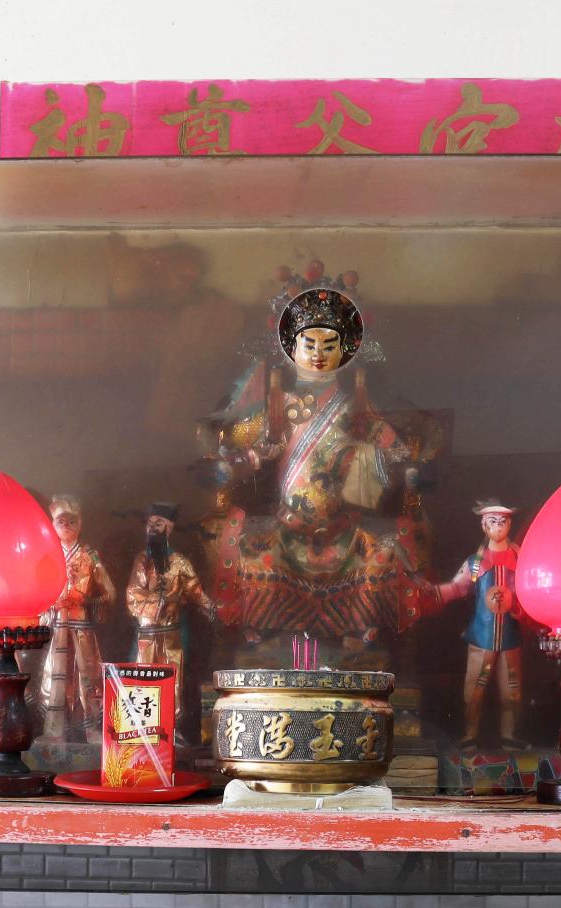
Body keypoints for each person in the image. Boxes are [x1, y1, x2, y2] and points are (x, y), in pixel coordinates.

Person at [201, 265, 424, 657]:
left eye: (329, 344)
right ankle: (266, 628)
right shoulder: (279, 406)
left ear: (346, 350)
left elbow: (394, 446)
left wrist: (406, 460)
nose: (319, 354)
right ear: (292, 347)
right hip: (288, 528)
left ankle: (359, 630)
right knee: (254, 553)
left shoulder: (355, 406)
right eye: (309, 343)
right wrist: (236, 461)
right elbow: (247, 447)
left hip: (344, 529)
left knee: (381, 555)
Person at [433, 500, 530, 748]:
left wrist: (520, 609)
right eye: (493, 521)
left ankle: (510, 735)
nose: (498, 526)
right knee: (474, 688)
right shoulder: (475, 562)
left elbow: (531, 589)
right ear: (484, 525)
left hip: (510, 637)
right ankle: (470, 734)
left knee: (512, 691)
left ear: (510, 524)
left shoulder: (521, 559)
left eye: (503, 521)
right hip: (481, 636)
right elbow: (458, 587)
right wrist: (432, 595)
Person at [126, 502, 216, 743]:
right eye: (149, 524)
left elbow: (195, 591)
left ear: (170, 528)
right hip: (146, 634)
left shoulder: (180, 562)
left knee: (172, 681)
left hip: (171, 634)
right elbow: (133, 593)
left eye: (159, 523)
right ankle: (144, 732)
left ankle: (170, 729)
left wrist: (210, 607)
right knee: (144, 678)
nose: (153, 528)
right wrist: (158, 600)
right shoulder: (141, 560)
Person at [31, 494, 117, 741]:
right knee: (56, 677)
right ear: (53, 525)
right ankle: (54, 729)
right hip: (58, 626)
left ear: (80, 523)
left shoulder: (90, 555)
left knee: (87, 675)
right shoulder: (48, 554)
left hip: (81, 626)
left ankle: (92, 729)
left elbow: (109, 593)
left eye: (71, 521)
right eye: (61, 522)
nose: (66, 526)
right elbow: (38, 591)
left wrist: (87, 601)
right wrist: (52, 605)